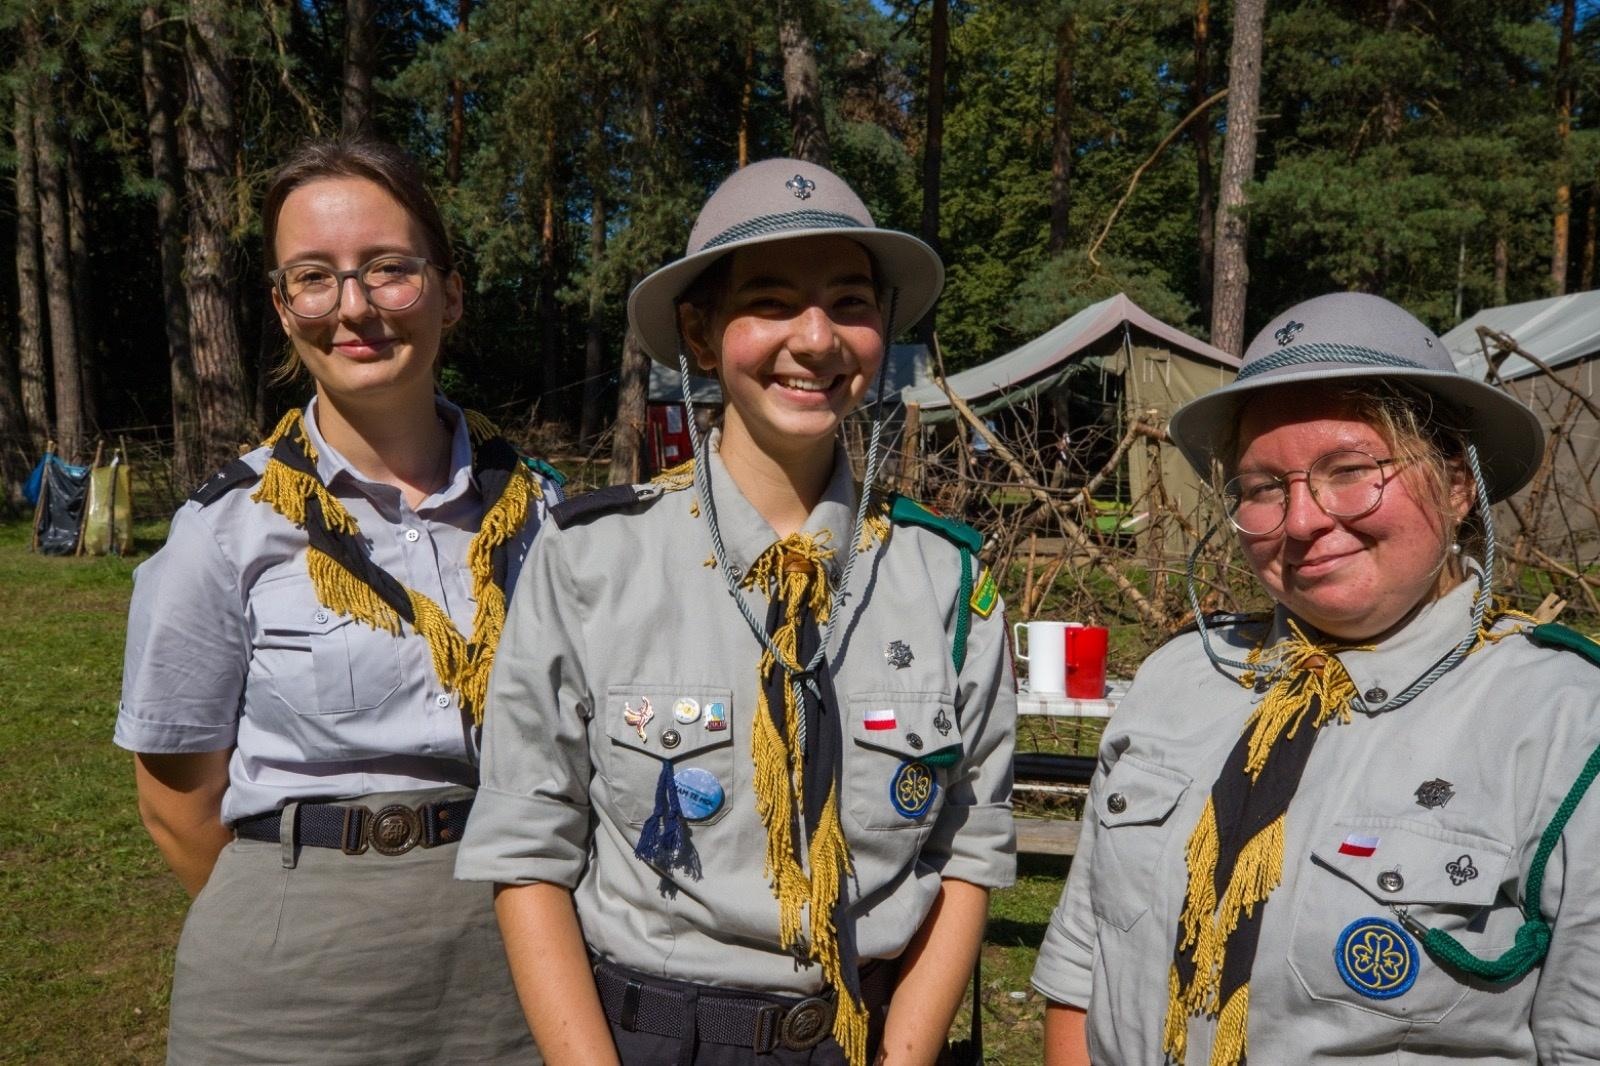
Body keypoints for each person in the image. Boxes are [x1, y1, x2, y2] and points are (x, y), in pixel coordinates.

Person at [456, 158, 1017, 1066]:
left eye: (850, 302)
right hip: (652, 1040)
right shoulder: (593, 560)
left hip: (876, 1035)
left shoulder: (945, 578)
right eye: (769, 301)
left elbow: (970, 847)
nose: (816, 338)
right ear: (701, 331)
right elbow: (528, 848)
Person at [1031, 291, 1600, 1064]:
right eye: (1265, 487)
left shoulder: (1563, 725)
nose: (1301, 521)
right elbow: (1081, 972)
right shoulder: (1177, 678)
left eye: (1351, 470)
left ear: (1459, 482)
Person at [115, 138, 562, 1065]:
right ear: (284, 309)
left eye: (389, 270)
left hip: (519, 947)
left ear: (451, 290)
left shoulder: (544, 517)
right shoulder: (224, 530)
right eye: (314, 278)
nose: (353, 307)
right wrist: (301, 916)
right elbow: (176, 804)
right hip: (291, 978)